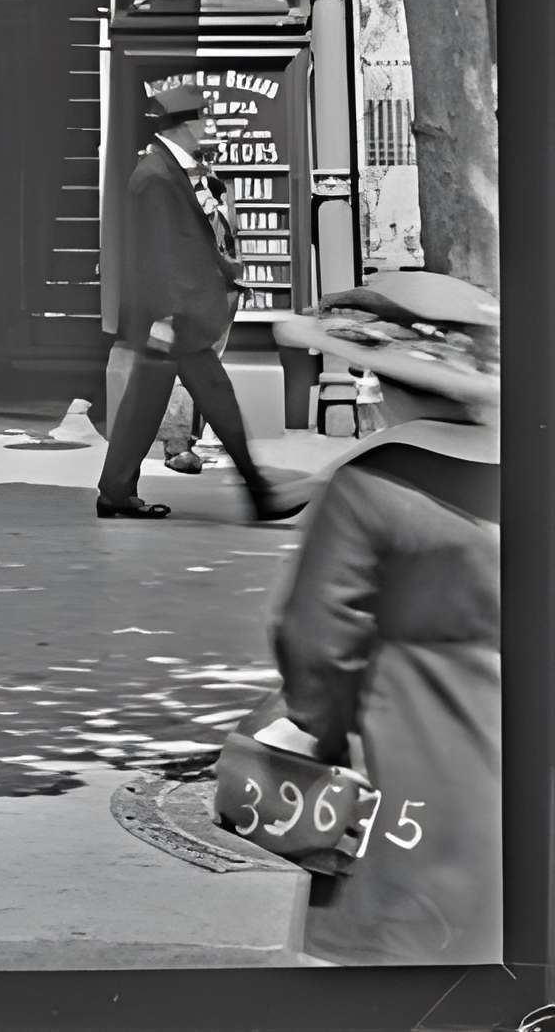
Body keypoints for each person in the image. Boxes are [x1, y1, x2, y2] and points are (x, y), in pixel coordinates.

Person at [258, 273, 500, 966]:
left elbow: (318, 639)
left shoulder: (373, 483)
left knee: (395, 946)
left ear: (381, 384)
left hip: (411, 751)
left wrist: (312, 732)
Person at [96, 81, 304, 524]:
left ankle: (116, 491)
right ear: (184, 125)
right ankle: (258, 493)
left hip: (179, 319)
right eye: (204, 118)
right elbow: (156, 255)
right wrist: (166, 317)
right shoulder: (154, 176)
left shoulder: (175, 170)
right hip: (173, 319)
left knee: (158, 404)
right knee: (199, 401)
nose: (210, 125)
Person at [162, 142, 240, 473]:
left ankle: (195, 437)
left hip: (221, 293)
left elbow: (228, 240)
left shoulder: (218, 192)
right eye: (202, 157)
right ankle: (177, 444)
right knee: (185, 370)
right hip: (193, 294)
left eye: (210, 157)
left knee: (207, 367)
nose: (207, 163)